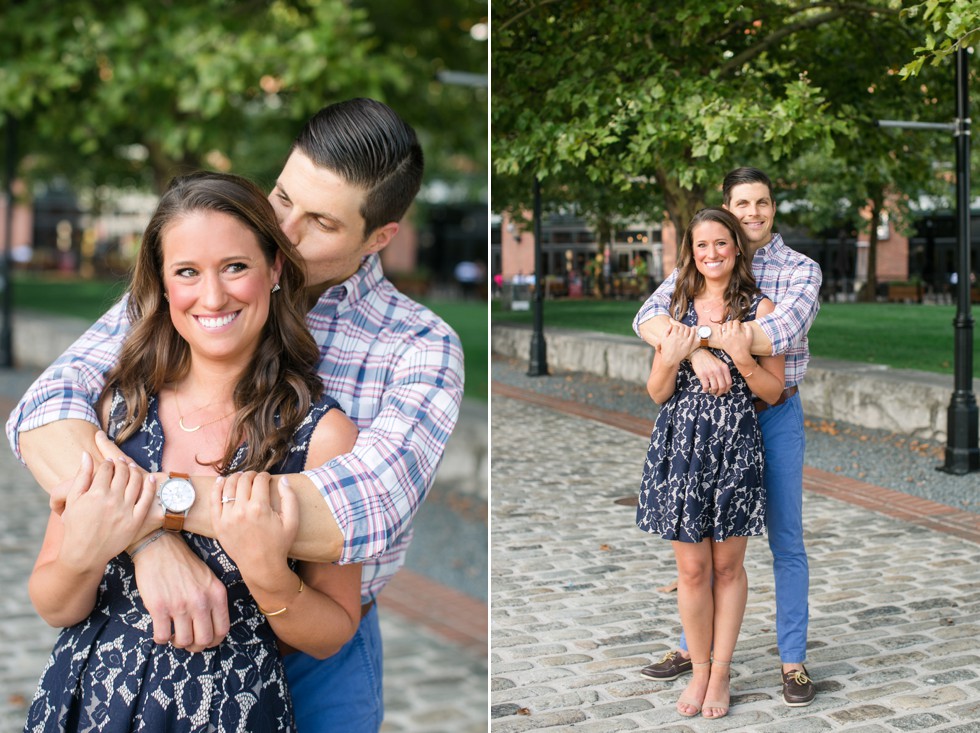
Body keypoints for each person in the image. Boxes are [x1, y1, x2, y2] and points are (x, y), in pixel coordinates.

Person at [7, 98, 465, 732]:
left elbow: (361, 507)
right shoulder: (189, 297)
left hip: (304, 644)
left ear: (380, 236)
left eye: (322, 223)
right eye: (282, 198)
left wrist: (137, 507)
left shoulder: (419, 345)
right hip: (118, 661)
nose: (286, 228)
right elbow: (45, 415)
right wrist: (148, 542)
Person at [24, 172, 363, 731]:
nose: (212, 296)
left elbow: (332, 633)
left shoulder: (321, 436)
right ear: (162, 282)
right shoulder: (114, 412)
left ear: (274, 269)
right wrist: (87, 555)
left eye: (235, 266)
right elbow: (53, 603)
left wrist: (269, 576)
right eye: (187, 272)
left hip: (231, 712)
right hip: (91, 703)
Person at [633, 167, 822, 708]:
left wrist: (702, 337)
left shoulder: (798, 271)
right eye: (743, 203)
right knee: (695, 558)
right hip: (693, 431)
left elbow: (777, 335)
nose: (753, 212)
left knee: (781, 541)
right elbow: (647, 317)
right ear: (728, 210)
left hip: (770, 412)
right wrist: (686, 348)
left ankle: (792, 661)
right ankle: (693, 654)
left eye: (762, 202)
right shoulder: (696, 266)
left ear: (773, 208)